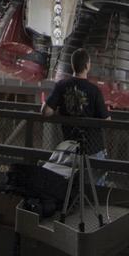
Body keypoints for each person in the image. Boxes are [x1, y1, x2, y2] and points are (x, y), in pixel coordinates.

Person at [41, 48, 110, 179]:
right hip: (93, 147)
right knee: (96, 185)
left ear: (72, 66)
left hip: (70, 147)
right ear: (87, 66)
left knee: (72, 185)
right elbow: (106, 121)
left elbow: (46, 112)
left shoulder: (61, 86)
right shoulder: (94, 90)